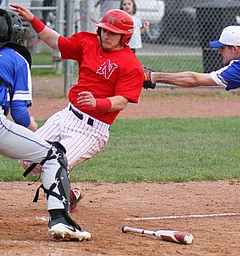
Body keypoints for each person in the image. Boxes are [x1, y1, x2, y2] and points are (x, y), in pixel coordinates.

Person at [0, 8, 91, 242]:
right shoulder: (17, 58)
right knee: (53, 155)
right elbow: (19, 113)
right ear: (14, 34)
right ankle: (60, 220)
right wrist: (33, 127)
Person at [9, 5, 144, 204]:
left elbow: (121, 101)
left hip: (91, 130)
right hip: (67, 115)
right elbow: (56, 42)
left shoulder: (130, 64)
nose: (106, 35)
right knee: (27, 158)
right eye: (104, 30)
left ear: (125, 37)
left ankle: (64, 199)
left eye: (113, 33)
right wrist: (33, 20)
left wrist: (97, 103)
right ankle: (66, 189)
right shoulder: (87, 42)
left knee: (54, 164)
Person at [144, 24, 240, 176]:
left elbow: (194, 79)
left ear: (235, 49)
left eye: (223, 47)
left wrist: (155, 77)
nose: (219, 51)